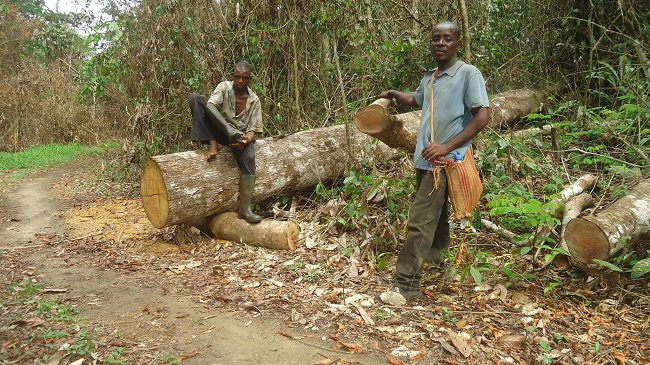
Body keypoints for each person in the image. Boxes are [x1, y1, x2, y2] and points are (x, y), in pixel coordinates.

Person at [378, 21, 490, 302]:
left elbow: (482, 116)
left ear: (457, 44)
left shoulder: (468, 74)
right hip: (424, 161)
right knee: (436, 218)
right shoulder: (430, 78)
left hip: (446, 163)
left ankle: (406, 285)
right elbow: (415, 100)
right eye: (436, 38)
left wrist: (446, 146)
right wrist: (392, 94)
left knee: (419, 220)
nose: (440, 43)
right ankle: (440, 267)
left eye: (447, 38)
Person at [188, 61, 263, 224]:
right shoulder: (224, 87)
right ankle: (213, 142)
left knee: (249, 160)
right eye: (237, 77)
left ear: (249, 79)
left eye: (244, 78)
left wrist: (245, 140)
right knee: (195, 99)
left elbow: (254, 129)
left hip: (240, 139)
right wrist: (228, 131)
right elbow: (210, 107)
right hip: (221, 131)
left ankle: (245, 209)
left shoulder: (254, 100)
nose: (240, 81)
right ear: (232, 77)